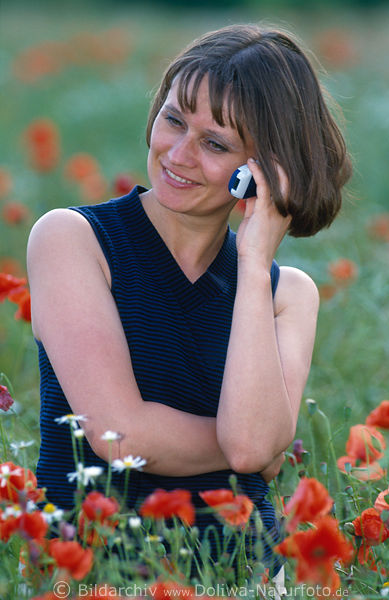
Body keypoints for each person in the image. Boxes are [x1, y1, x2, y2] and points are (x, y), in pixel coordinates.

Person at [27, 23, 351, 583]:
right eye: (174, 119)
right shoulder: (73, 240)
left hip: (246, 577)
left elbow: (254, 450)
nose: (177, 154)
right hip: (99, 575)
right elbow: (120, 436)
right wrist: (249, 440)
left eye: (215, 144)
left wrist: (254, 264)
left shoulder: (287, 294)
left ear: (264, 170)